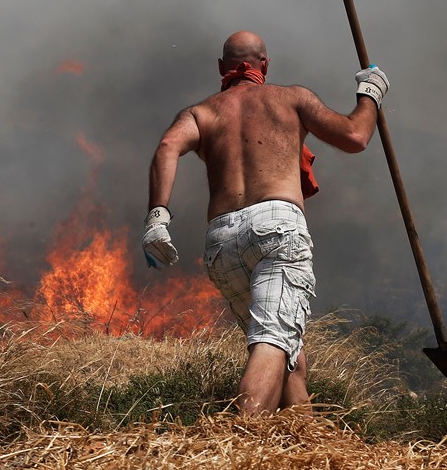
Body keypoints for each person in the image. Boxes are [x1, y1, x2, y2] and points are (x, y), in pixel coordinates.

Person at [141, 31, 388, 414]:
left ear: (222, 68)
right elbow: (355, 135)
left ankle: (305, 445)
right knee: (273, 339)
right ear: (265, 66)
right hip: (276, 227)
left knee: (289, 356)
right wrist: (371, 92)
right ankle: (242, 442)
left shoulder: (200, 113)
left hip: (222, 241)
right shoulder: (291, 98)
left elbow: (167, 147)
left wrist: (158, 215)